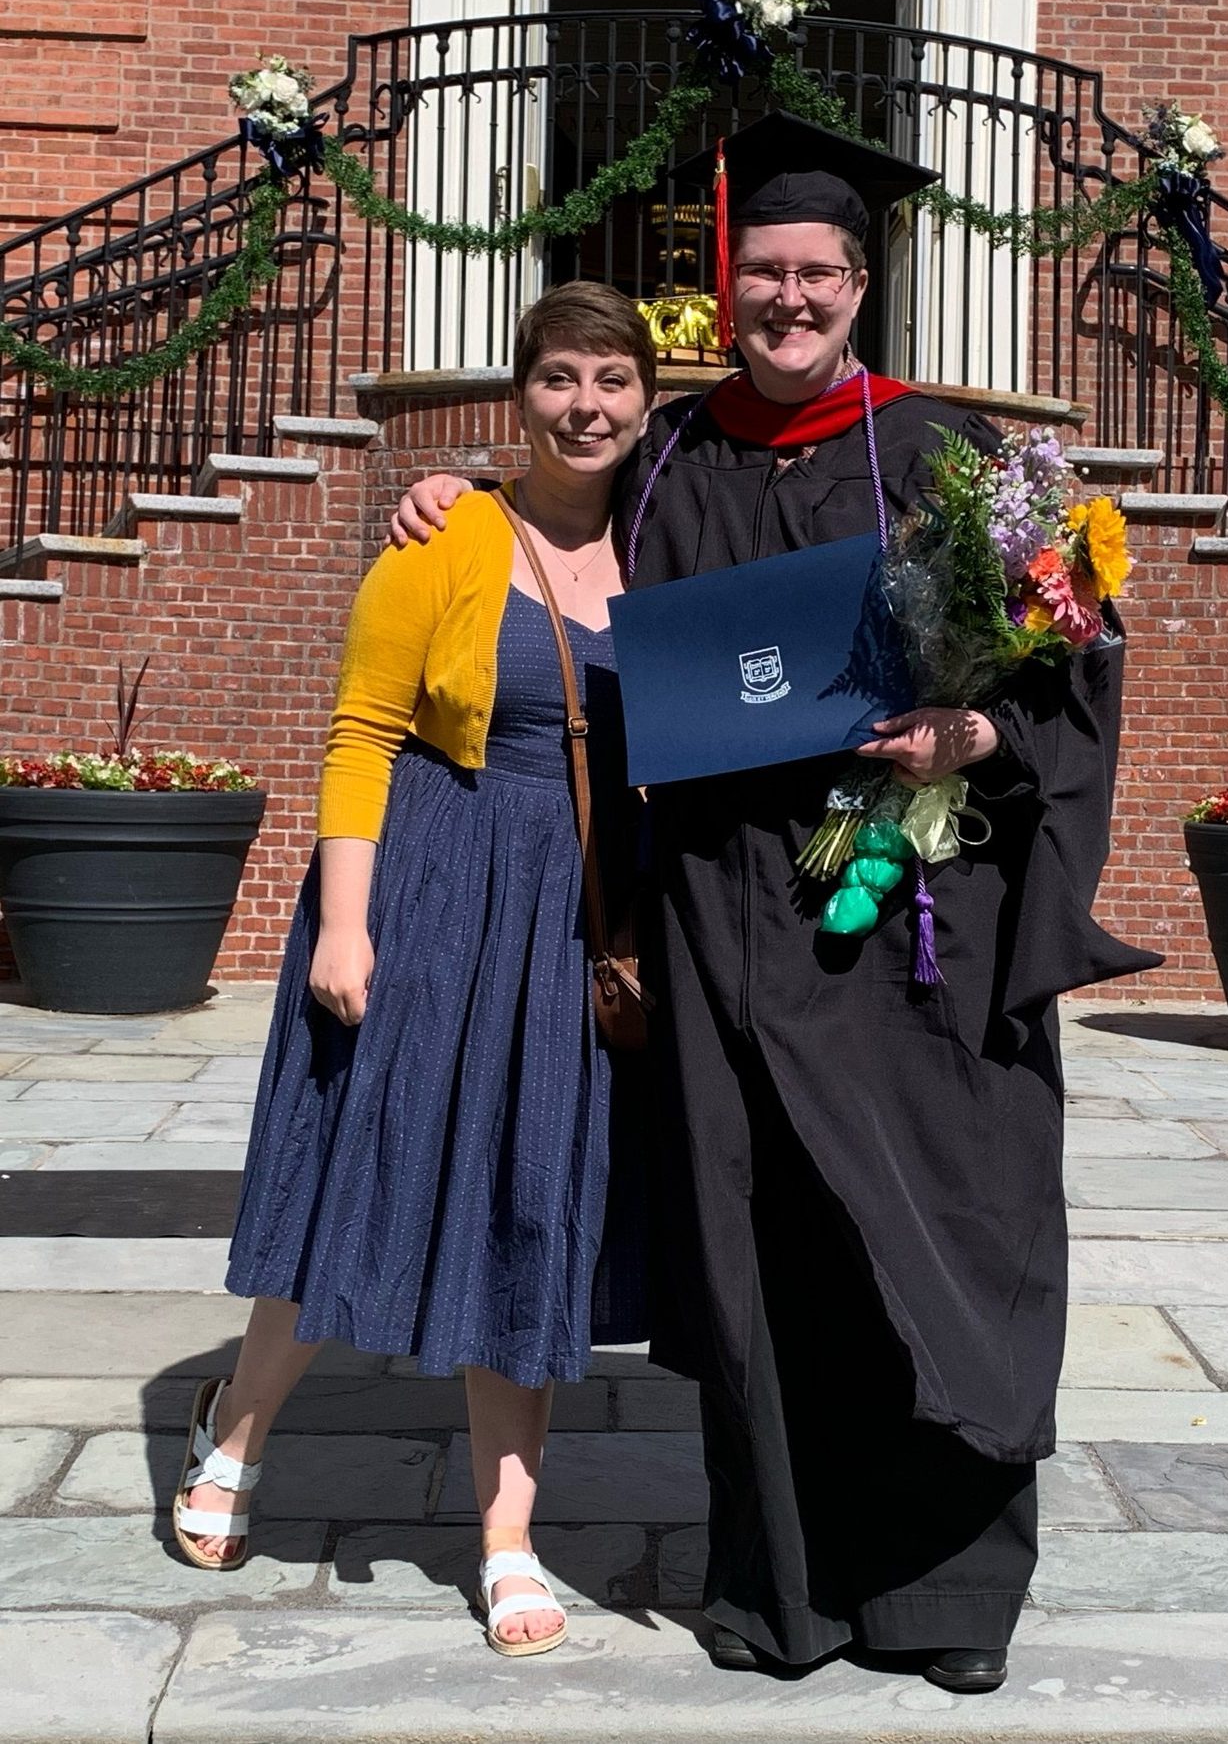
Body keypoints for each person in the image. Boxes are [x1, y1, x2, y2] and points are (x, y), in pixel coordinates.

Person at [392, 113, 1159, 1690]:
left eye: (815, 273)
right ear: (720, 287)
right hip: (721, 922)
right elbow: (550, 539)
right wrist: (449, 494)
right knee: (760, 1254)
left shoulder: (955, 456)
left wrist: (979, 733)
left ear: (862, 284)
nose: (787, 300)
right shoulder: (673, 451)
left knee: (939, 1226)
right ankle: (779, 1593)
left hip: (908, 929)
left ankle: (944, 1598)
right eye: (760, 274)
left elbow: (1074, 667)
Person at [173, 280, 655, 1661]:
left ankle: (506, 1536)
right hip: (435, 885)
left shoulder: (667, 545)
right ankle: (237, 1435)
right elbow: (361, 732)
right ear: (523, 394)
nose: (585, 405)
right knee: (358, 1172)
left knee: (531, 1193)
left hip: (574, 914)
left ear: (644, 400)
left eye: (612, 381)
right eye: (560, 377)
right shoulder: (447, 537)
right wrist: (342, 920)